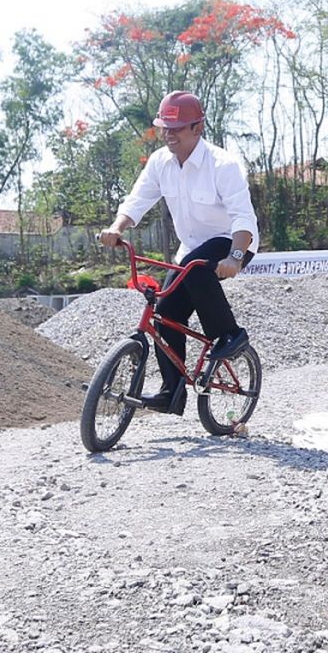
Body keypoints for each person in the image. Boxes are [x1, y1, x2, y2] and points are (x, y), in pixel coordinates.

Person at [98, 91, 259, 415]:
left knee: (196, 266)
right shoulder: (160, 163)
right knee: (166, 313)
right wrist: (117, 228)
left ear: (198, 128)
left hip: (230, 242)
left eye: (177, 128)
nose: (169, 134)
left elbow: (244, 218)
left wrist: (235, 258)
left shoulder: (222, 165)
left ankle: (230, 335)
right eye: (165, 127)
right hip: (189, 250)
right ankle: (172, 393)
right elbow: (138, 200)